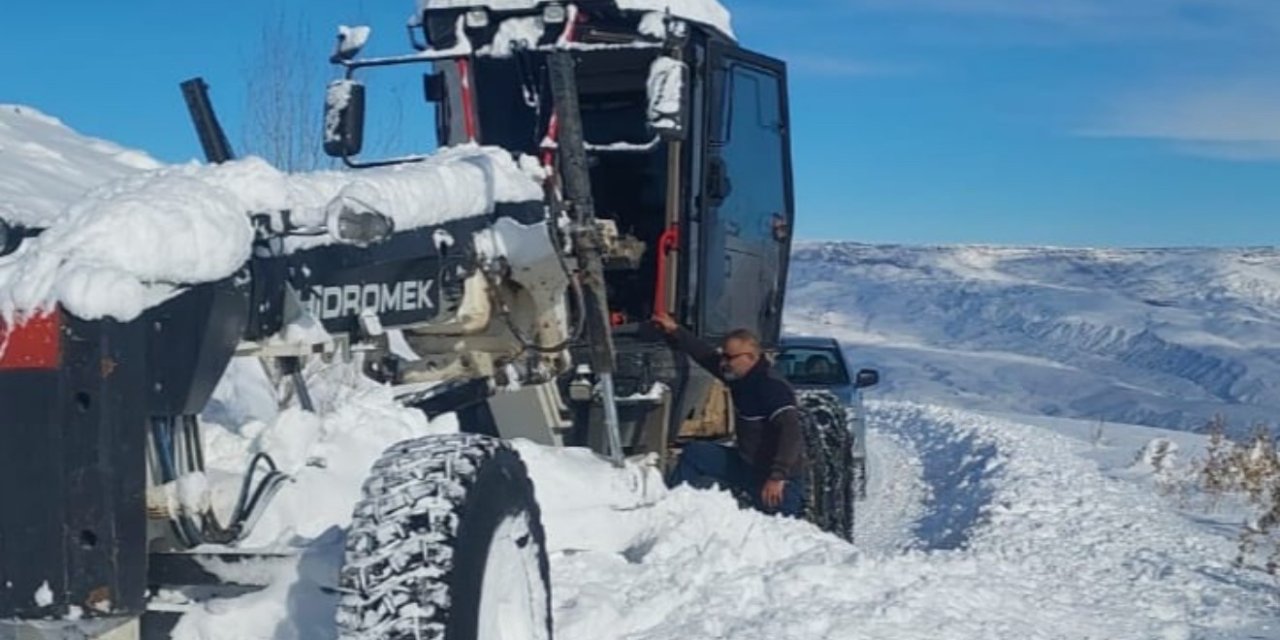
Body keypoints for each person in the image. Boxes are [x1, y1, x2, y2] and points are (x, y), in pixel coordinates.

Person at [652, 312, 806, 517]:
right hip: (746, 466)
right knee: (696, 454)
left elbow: (791, 432)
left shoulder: (772, 387)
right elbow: (706, 356)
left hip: (777, 480)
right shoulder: (739, 377)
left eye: (729, 357)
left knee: (778, 532)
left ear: (751, 357)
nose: (723, 362)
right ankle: (671, 511)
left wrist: (777, 476)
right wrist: (675, 330)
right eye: (723, 355)